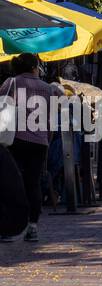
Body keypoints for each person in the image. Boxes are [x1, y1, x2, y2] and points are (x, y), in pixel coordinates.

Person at [0, 54, 60, 243]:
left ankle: (9, 228)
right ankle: (32, 226)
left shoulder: (12, 83)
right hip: (39, 142)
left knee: (9, 184)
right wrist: (47, 139)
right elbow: (51, 119)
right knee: (32, 183)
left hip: (14, 141)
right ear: (35, 67)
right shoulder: (47, 88)